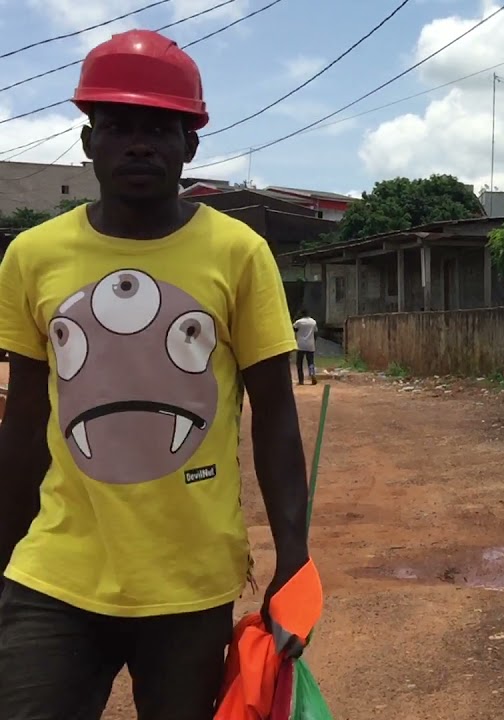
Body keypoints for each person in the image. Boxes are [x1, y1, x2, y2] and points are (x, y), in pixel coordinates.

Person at [0, 29, 311, 720]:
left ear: (190, 144)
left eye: (158, 128)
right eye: (117, 128)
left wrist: (294, 554)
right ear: (89, 142)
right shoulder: (32, 256)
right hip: (56, 574)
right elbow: (21, 424)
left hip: (189, 584)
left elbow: (276, 415)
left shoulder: (239, 254)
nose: (137, 145)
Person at [293, 308, 318, 386]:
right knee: (311, 362)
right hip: (310, 345)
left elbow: (294, 329)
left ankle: (301, 380)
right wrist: (313, 341)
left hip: (300, 345)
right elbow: (316, 332)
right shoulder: (313, 322)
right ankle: (312, 374)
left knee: (299, 363)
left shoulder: (299, 322)